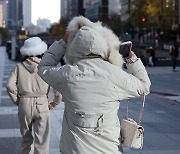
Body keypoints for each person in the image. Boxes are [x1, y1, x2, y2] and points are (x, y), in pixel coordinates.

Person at [38, 16, 151, 154]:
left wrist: (63, 42)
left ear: (74, 47)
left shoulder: (66, 75)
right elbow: (144, 86)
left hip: (75, 149)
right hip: (109, 149)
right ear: (103, 46)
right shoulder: (114, 74)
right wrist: (130, 58)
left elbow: (44, 67)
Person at [6, 37, 62, 154]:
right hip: (42, 104)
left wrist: (18, 101)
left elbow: (10, 86)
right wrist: (55, 102)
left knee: (26, 140)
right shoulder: (46, 67)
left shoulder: (19, 66)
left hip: (25, 103)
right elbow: (57, 87)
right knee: (42, 141)